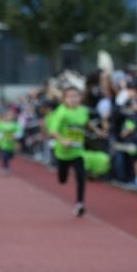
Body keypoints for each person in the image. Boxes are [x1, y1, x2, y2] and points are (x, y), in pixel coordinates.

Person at [46, 86, 94, 216]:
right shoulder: (61, 113)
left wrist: (98, 131)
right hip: (63, 152)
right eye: (70, 96)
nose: (74, 99)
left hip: (77, 151)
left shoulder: (82, 111)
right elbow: (53, 131)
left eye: (76, 96)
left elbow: (86, 123)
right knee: (62, 180)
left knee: (81, 176)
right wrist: (63, 141)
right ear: (64, 99)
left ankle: (80, 203)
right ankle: (62, 174)